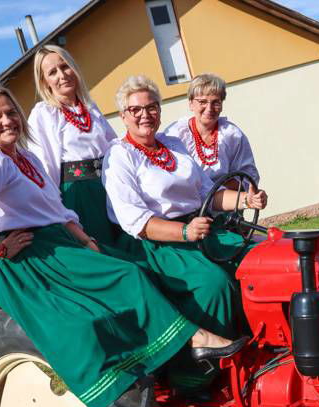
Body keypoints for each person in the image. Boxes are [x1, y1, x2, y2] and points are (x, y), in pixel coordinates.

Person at [0, 84, 246, 407]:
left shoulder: (25, 158)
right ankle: (194, 339)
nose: (7, 120)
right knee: (127, 277)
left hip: (58, 241)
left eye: (11, 112)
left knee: (136, 269)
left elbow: (57, 211)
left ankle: (173, 363)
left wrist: (87, 241)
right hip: (30, 257)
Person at [102, 76, 267, 388]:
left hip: (201, 228)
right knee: (213, 284)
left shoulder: (174, 145)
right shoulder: (120, 155)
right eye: (136, 109)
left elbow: (208, 195)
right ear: (123, 115)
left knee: (260, 258)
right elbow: (136, 220)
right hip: (157, 242)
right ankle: (197, 378)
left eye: (152, 107)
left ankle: (265, 347)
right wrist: (185, 231)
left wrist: (246, 199)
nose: (145, 115)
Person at [28, 45, 118, 245]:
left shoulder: (90, 107)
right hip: (78, 192)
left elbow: (113, 145)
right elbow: (44, 165)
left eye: (65, 66)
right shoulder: (44, 113)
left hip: (108, 186)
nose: (62, 75)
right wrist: (55, 207)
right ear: (44, 81)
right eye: (52, 72)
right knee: (101, 248)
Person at [164, 73, 259, 189]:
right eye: (202, 102)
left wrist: (215, 192)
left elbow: (249, 175)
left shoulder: (232, 135)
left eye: (216, 102)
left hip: (226, 197)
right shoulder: (175, 134)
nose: (209, 109)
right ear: (191, 104)